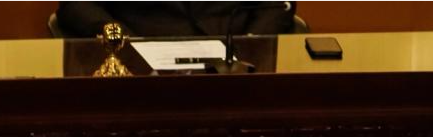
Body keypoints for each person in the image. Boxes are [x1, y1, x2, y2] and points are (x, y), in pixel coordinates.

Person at [55, 0, 295, 39]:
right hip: (139, 73)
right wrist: (119, 37)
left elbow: (276, 5)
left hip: (235, 69)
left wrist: (251, 44)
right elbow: (76, 4)